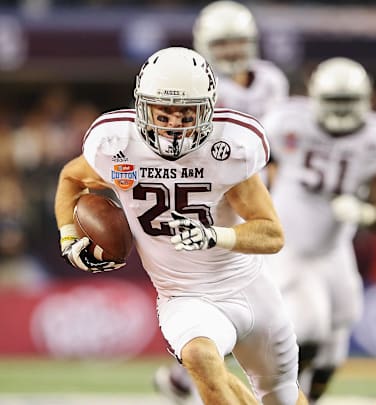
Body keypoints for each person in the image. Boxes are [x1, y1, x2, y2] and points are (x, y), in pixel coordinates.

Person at [54, 46, 307, 405]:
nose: (173, 125)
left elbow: (271, 233)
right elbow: (71, 179)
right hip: (182, 293)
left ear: (207, 109)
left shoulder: (230, 148)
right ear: (142, 107)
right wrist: (68, 237)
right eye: (163, 112)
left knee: (281, 397)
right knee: (200, 357)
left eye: (186, 113)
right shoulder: (116, 144)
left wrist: (213, 236)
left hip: (250, 288)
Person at [152, 2, 291, 403]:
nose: (231, 51)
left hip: (253, 201)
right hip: (206, 199)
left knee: (262, 315)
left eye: (238, 41)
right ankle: (195, 373)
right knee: (218, 308)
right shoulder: (194, 84)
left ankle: (188, 379)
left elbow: (275, 149)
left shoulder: (271, 80)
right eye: (222, 42)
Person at [262, 56, 376, 403]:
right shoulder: (286, 122)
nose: (341, 111)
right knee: (309, 327)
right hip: (290, 243)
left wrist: (365, 212)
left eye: (348, 102)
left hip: (334, 248)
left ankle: (308, 399)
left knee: (335, 346)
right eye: (334, 102)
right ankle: (276, 399)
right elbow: (250, 166)